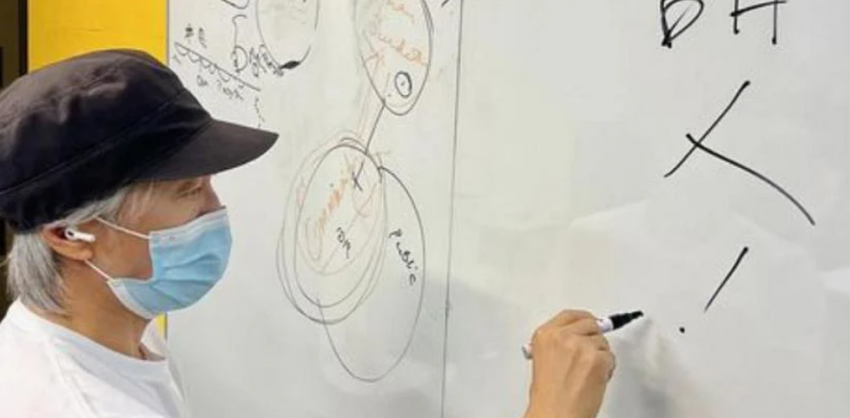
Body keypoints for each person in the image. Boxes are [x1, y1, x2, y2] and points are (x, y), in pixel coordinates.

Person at [0, 50, 615, 418]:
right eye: (188, 193)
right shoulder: (73, 405)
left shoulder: (109, 337)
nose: (215, 211)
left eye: (210, 186)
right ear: (70, 235)